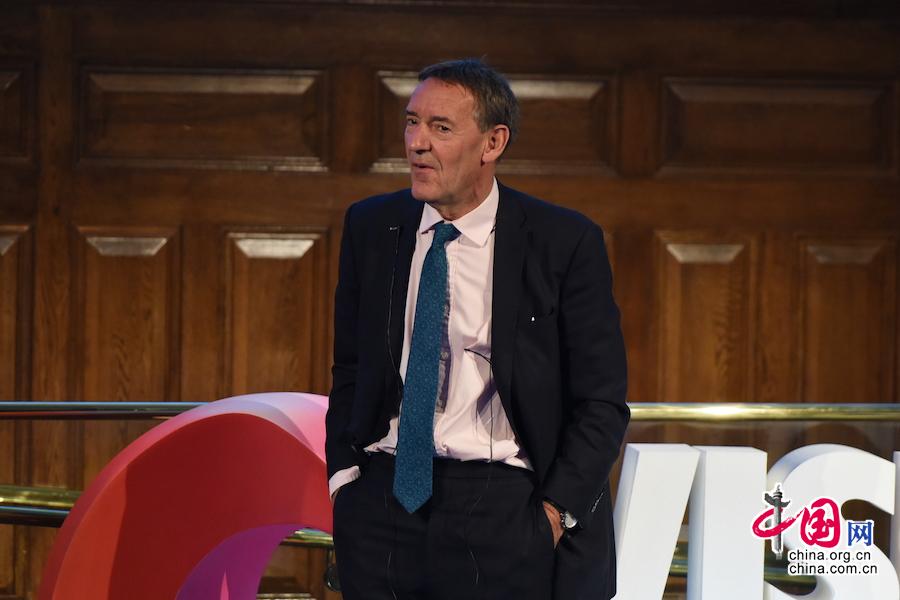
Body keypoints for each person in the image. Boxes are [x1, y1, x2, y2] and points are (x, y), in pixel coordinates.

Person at [325, 58, 629, 600]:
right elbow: (349, 366)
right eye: (412, 122)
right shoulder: (371, 226)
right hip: (382, 501)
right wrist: (345, 480)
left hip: (505, 506)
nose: (417, 143)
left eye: (440, 127)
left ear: (493, 143)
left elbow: (601, 402)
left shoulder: (563, 242)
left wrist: (554, 514)